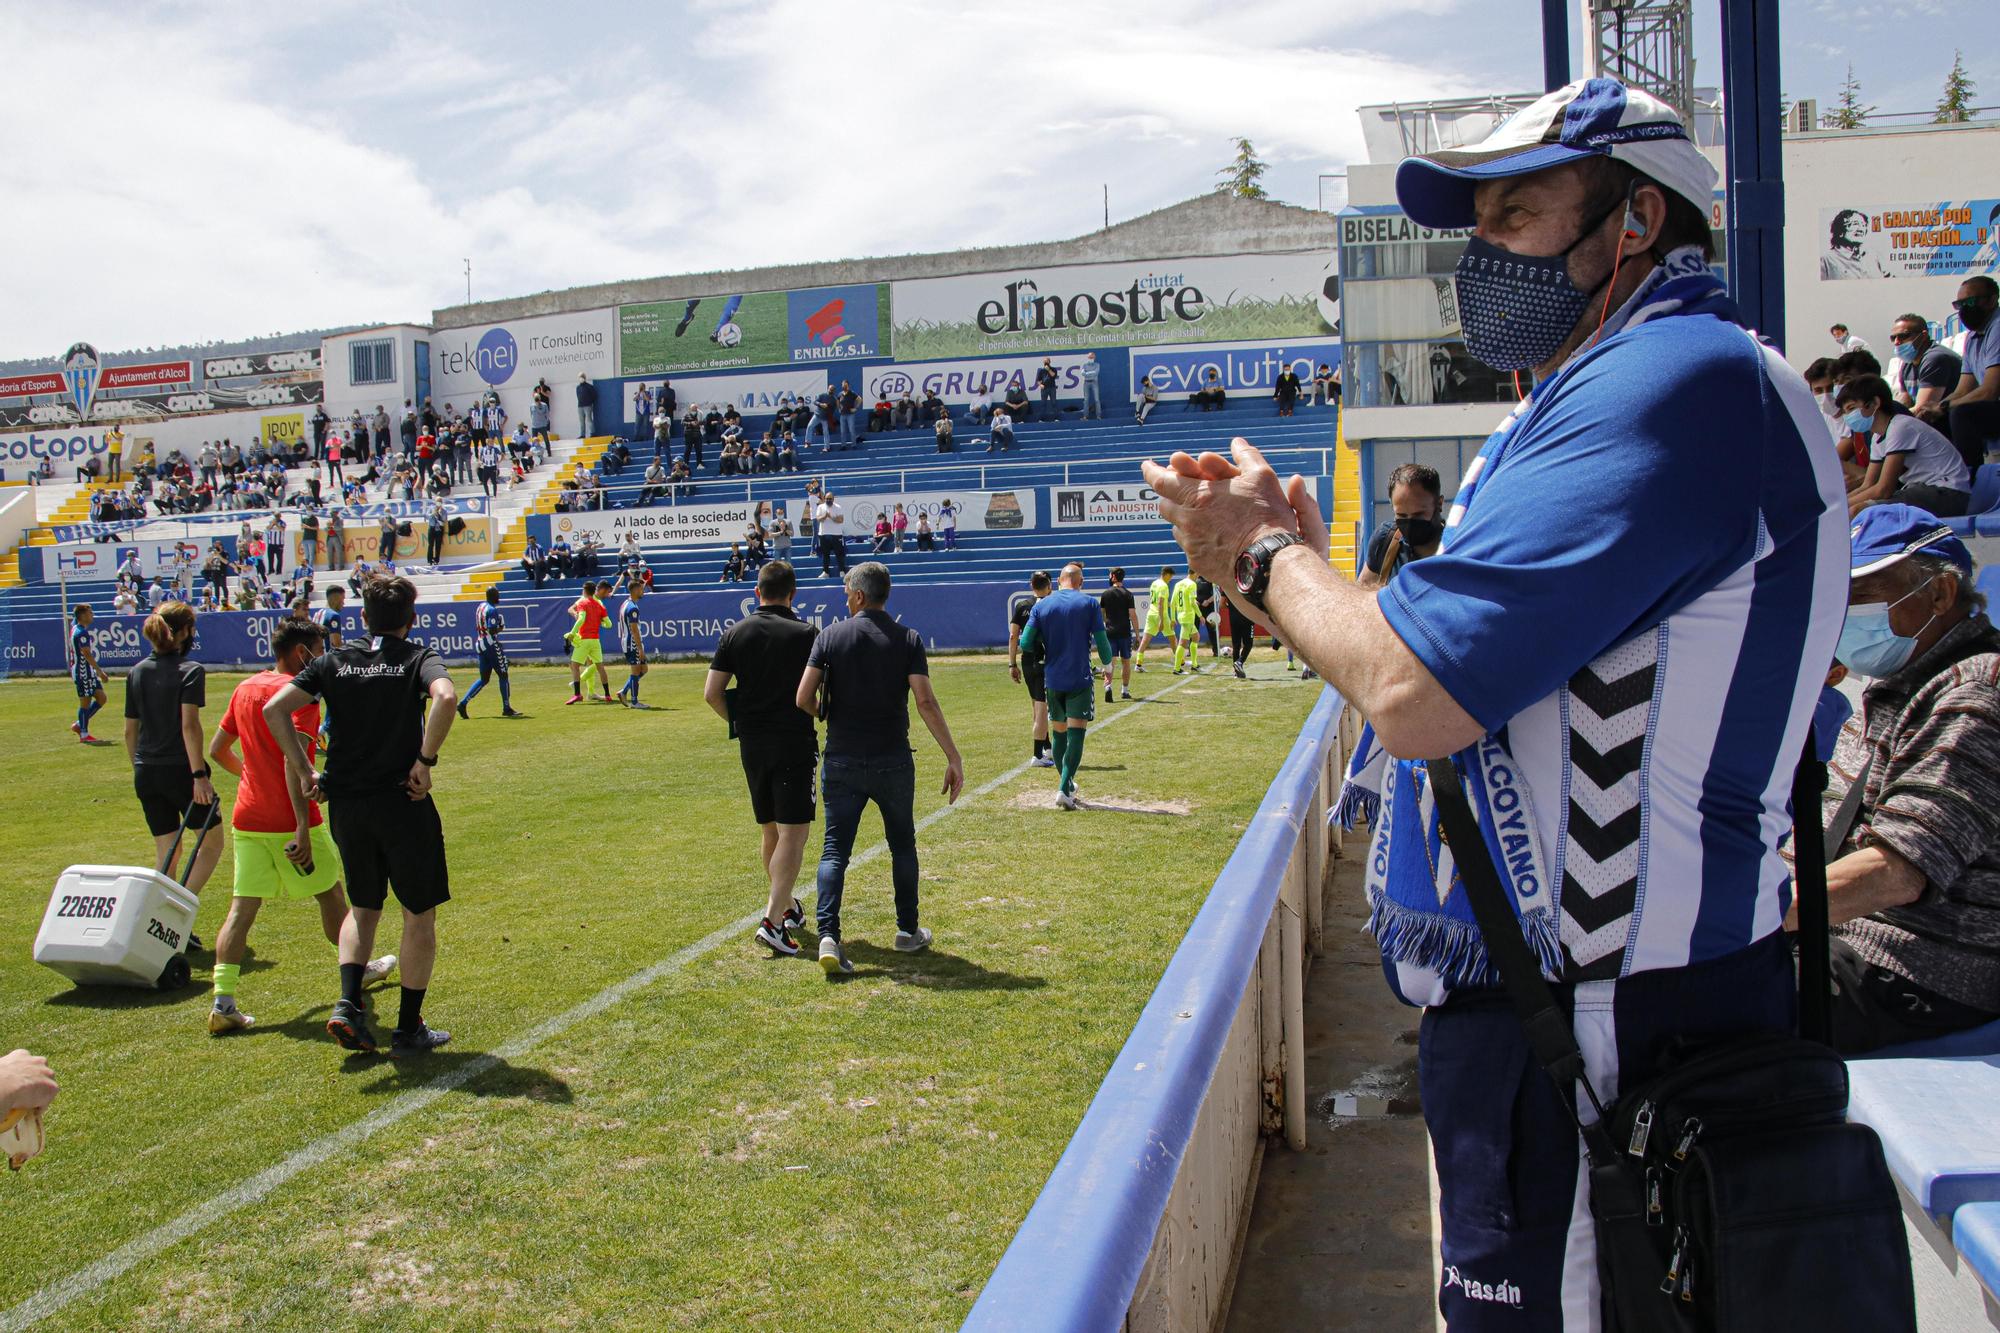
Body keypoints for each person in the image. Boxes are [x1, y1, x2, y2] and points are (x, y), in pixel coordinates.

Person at [1142, 78, 1846, 1326]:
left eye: (1516, 216)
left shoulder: (1673, 384)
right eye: (1475, 224)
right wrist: (1303, 582)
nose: (1481, 255)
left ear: (1634, 220)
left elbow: (1415, 694)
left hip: (1614, 1031)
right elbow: (1450, 660)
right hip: (1559, 1019)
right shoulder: (1592, 393)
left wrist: (1262, 557)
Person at [1808, 506, 2000, 1052]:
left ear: (1940, 595)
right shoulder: (1899, 680)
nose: (1845, 613)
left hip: (1920, 972)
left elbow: (1896, 874)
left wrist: (1750, 917)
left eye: (1864, 593)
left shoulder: (1978, 694)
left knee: (1678, 1006)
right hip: (1843, 938)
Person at [263, 575, 456, 1056]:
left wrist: (306, 767)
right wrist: (425, 762)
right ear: (411, 620)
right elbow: (447, 698)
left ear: (362, 617)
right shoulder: (417, 657)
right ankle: (408, 1029)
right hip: (402, 803)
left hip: (348, 806)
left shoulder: (335, 660)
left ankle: (348, 1005)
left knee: (364, 908)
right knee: (418, 915)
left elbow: (275, 708)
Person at [204, 620, 396, 1034]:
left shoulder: (244, 689)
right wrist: (301, 828)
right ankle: (357, 970)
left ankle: (223, 1002)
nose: (324, 655)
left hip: (248, 816)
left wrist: (251, 779)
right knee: (332, 895)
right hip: (290, 820)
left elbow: (217, 750)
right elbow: (298, 766)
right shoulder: (300, 697)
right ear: (300, 653)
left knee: (242, 908)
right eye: (319, 648)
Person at [795, 562, 965, 975]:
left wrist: (828, 715)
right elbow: (925, 701)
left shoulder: (830, 636)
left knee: (835, 849)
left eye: (845, 591)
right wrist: (952, 756)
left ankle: (829, 935)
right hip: (892, 758)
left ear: (857, 596)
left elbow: (803, 697)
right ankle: (907, 931)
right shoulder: (907, 638)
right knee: (902, 845)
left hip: (843, 758)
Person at [706, 560, 819, 957]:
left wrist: (741, 723)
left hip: (752, 745)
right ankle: (772, 919)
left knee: (771, 830)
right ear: (793, 594)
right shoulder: (808, 633)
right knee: (794, 833)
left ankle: (787, 906)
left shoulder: (734, 633)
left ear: (757, 592)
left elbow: (712, 693)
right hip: (793, 741)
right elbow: (819, 695)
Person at [124, 602, 224, 942]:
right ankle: (176, 914)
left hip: (146, 770)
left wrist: (138, 767)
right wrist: (199, 776)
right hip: (180, 771)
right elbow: (190, 726)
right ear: (183, 632)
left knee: (168, 850)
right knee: (211, 844)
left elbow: (129, 731)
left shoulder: (136, 671)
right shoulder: (190, 669)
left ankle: (154, 923)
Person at [1020, 564, 1113, 809]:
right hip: (1079, 678)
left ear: (1058, 581)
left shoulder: (1041, 605)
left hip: (1052, 678)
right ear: (1080, 582)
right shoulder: (1089, 603)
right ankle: (1063, 788)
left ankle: (1067, 783)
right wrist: (1109, 668)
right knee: (1077, 735)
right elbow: (1102, 643)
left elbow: (1025, 642)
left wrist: (1046, 641)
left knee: (1059, 734)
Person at [1838, 374, 1971, 516]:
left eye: (1851, 409)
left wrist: (1840, 507)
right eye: (1845, 412)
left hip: (1948, 493)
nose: (1847, 416)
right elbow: (1868, 484)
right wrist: (1838, 505)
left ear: (1874, 403)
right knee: (1852, 509)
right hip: (1923, 490)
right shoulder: (1878, 436)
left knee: (1858, 511)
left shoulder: (1900, 427)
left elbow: (1884, 489)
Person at [1925, 277, 2000, 466]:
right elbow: (1963, 389)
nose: (1964, 310)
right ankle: (1939, 477)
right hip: (1990, 408)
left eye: (1970, 302)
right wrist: (1936, 408)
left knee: (1962, 414)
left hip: (1994, 404)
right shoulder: (1973, 336)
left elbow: (1990, 391)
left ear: (1992, 300)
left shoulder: (1997, 327)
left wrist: (1944, 407)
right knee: (1932, 419)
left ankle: (1968, 478)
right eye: (1959, 305)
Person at [1358, 463, 1447, 589]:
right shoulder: (1385, 540)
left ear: (1439, 503)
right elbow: (1364, 592)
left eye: (1419, 514)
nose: (1410, 523)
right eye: (1401, 515)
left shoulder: (1458, 547)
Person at [1010, 572, 1054, 768]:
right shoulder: (1052, 605)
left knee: (1037, 705)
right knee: (1042, 707)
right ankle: (1038, 754)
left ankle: (1047, 747)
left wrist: (1012, 664)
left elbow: (1013, 637)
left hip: (1027, 660)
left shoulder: (1021, 606)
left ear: (1031, 585)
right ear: (1049, 585)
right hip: (1045, 659)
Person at [1889, 313, 1961, 415]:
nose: (1896, 342)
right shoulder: (1907, 365)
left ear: (1923, 336)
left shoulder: (1935, 359)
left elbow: (1922, 410)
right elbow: (1904, 403)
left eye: (1903, 336)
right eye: (1893, 338)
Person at [565, 580, 615, 705]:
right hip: (595, 638)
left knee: (577, 664)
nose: (608, 595)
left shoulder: (586, 601)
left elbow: (581, 618)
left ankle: (579, 690)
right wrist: (577, 615)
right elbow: (571, 609)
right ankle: (598, 693)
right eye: (607, 592)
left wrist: (573, 630)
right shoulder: (596, 604)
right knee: (598, 666)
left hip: (585, 637)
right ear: (600, 590)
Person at [1099, 567, 1138, 701]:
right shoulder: (1128, 594)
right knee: (1126, 662)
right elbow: (1133, 615)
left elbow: (1101, 614)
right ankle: (1125, 690)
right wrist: (1137, 634)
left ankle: (1108, 686)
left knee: (1110, 662)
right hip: (1125, 632)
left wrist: (1106, 624)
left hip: (1110, 632)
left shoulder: (1106, 593)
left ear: (1114, 577)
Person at [70, 605, 108, 743]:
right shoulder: (81, 632)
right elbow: (86, 653)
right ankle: (84, 734)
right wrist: (99, 671)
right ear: (83, 616)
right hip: (83, 671)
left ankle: (79, 725)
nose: (92, 615)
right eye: (90, 613)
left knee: (101, 698)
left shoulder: (77, 628)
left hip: (87, 671)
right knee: (85, 703)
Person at [616, 578, 649, 708]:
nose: (643, 592)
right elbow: (634, 630)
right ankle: (635, 701)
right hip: (632, 643)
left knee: (644, 669)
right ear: (635, 590)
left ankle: (623, 691)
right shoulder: (632, 608)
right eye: (641, 589)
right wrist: (640, 649)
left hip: (628, 641)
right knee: (635, 671)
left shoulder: (626, 603)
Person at [1168, 567, 1202, 674]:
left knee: (1196, 636)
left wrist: (1173, 618)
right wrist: (1200, 615)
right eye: (1197, 574)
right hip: (1188, 616)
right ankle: (1177, 668)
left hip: (1181, 615)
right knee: (1183, 642)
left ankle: (1194, 664)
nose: (1198, 576)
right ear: (1194, 573)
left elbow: (1172, 603)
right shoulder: (1192, 584)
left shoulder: (1178, 584)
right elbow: (1192, 603)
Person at [816, 491, 848, 577]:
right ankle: (825, 572)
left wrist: (831, 517)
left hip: (836, 534)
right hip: (824, 534)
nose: (828, 500)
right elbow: (818, 519)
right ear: (824, 499)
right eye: (827, 499)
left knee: (839, 554)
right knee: (825, 554)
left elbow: (841, 520)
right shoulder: (820, 507)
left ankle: (842, 571)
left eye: (830, 499)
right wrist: (825, 516)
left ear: (833, 499)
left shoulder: (838, 507)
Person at [1079, 351, 1102, 419]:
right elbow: (1082, 373)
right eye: (1089, 357)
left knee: (1097, 400)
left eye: (1092, 357)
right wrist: (1090, 373)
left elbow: (1096, 373)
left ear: (1094, 357)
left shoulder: (1097, 364)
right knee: (1086, 400)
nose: (1090, 358)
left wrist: (1087, 373)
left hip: (1094, 382)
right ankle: (1085, 416)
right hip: (1086, 383)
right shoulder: (1084, 365)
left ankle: (1098, 416)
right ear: (1087, 357)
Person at [575, 373, 597, 437]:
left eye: (582, 377)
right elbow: (578, 396)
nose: (581, 378)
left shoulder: (589, 386)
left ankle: (593, 433)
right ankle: (582, 434)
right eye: (579, 377)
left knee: (589, 420)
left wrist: (590, 402)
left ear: (584, 378)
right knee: (581, 422)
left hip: (588, 406)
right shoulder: (578, 387)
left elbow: (594, 395)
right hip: (580, 407)